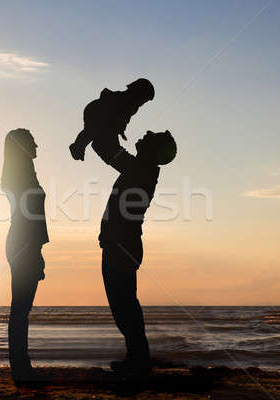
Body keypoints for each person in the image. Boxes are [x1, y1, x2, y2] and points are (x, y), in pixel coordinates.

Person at [93, 129, 177, 378]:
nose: (147, 132)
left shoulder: (141, 168)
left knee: (123, 306)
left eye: (151, 136)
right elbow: (109, 152)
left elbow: (107, 151)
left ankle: (139, 360)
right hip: (124, 245)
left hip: (121, 245)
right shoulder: (142, 168)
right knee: (125, 304)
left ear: (152, 150)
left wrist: (101, 126)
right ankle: (137, 357)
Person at [0, 128, 49, 384]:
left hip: (25, 243)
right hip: (23, 243)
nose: (37, 145)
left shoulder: (24, 175)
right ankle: (20, 368)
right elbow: (29, 217)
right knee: (20, 308)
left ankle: (21, 366)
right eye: (32, 141)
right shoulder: (21, 178)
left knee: (21, 308)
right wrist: (35, 248)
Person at [69, 78, 155, 161]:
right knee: (91, 131)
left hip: (106, 120)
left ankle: (81, 147)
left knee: (103, 135)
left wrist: (121, 131)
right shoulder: (123, 99)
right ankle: (78, 146)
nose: (142, 103)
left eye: (144, 101)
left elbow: (125, 119)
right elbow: (111, 105)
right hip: (96, 111)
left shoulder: (132, 107)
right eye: (143, 99)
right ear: (136, 92)